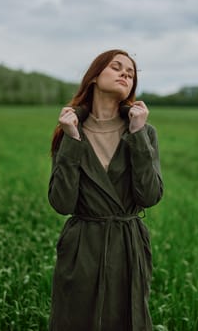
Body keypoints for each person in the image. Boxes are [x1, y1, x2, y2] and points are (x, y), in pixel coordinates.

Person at [48, 49, 163, 331]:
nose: (126, 73)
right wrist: (72, 140)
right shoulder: (70, 128)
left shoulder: (144, 131)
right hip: (82, 247)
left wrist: (137, 134)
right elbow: (62, 203)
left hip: (127, 245)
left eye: (131, 72)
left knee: (127, 320)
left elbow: (149, 196)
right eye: (117, 67)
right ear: (95, 77)